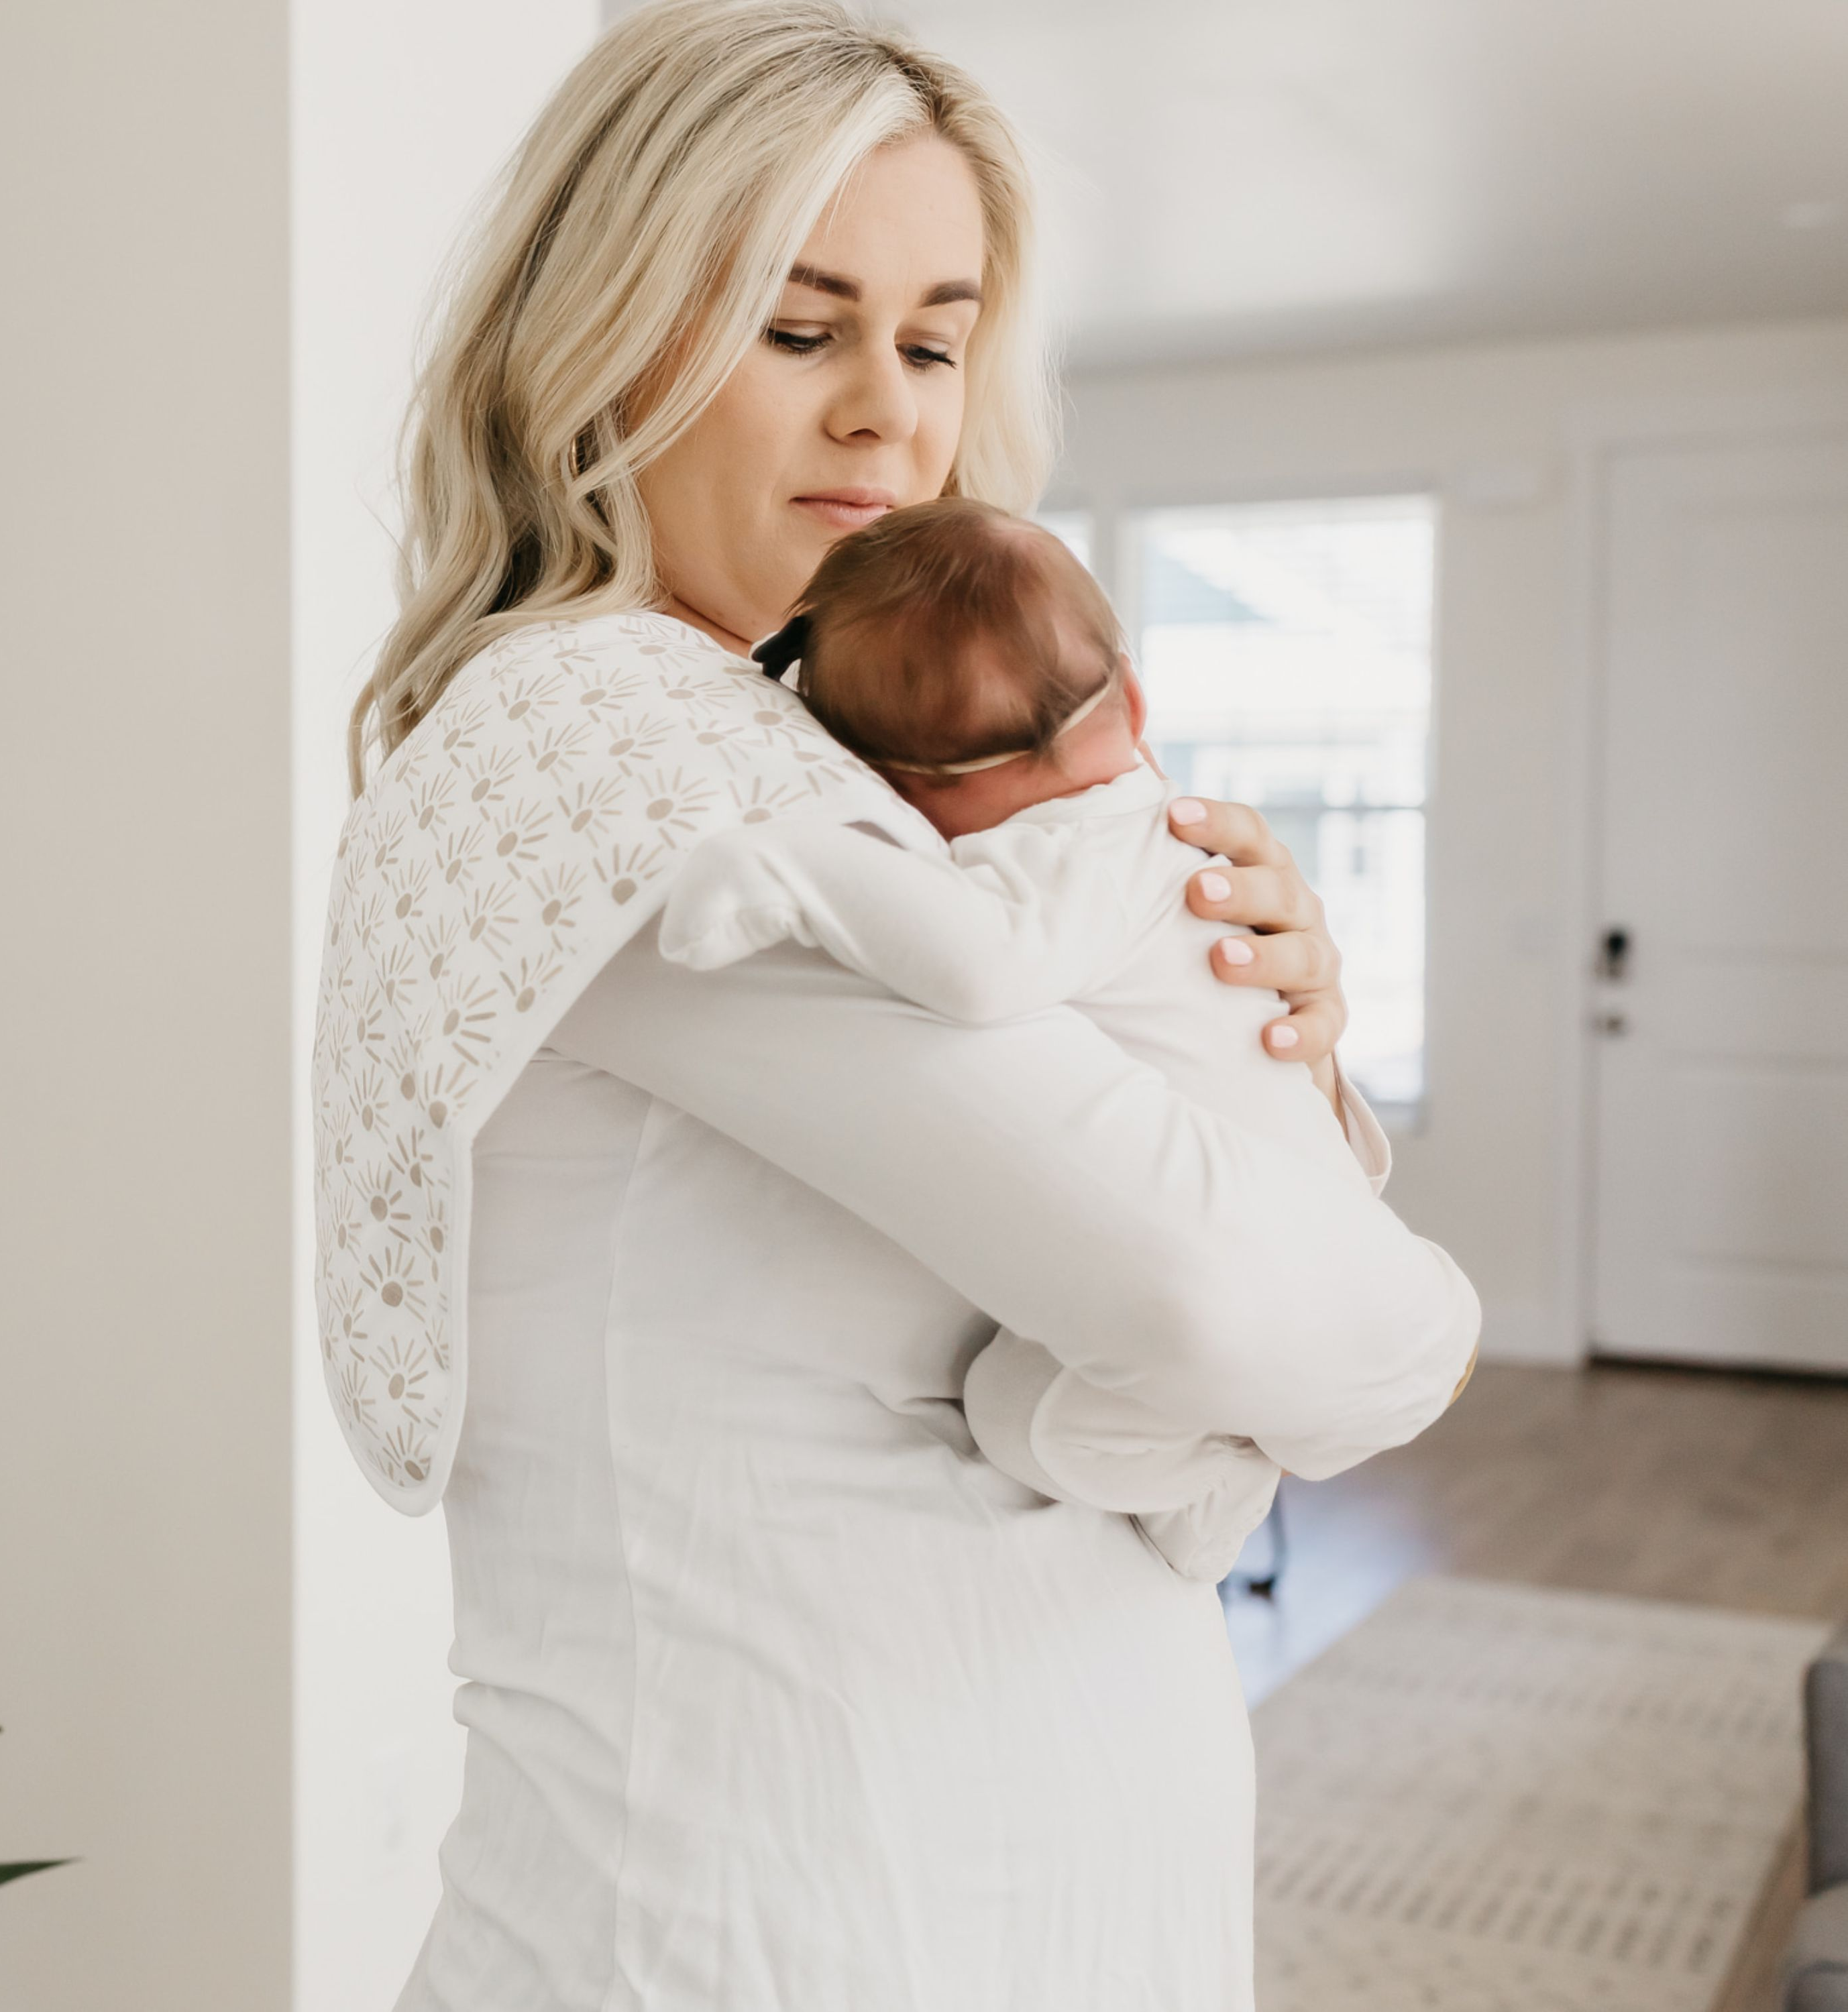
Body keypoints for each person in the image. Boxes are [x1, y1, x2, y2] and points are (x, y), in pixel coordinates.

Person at [311, 5, 1480, 2007]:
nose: (887, 415)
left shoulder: (856, 795)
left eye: (932, 342)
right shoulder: (639, 770)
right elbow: (1247, 1310)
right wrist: (1427, 1313)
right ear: (601, 335)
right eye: (798, 328)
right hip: (776, 1934)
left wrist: (1258, 1020)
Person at [657, 496, 1477, 1583]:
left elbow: (980, 968)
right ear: (1134, 699)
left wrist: (790, 868)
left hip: (1323, 1289)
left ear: (904, 797)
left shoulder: (1079, 861)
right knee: (1058, 1413)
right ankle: (1237, 1464)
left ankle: (1228, 1467)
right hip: (1355, 1266)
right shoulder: (1172, 834)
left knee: (1018, 1419)